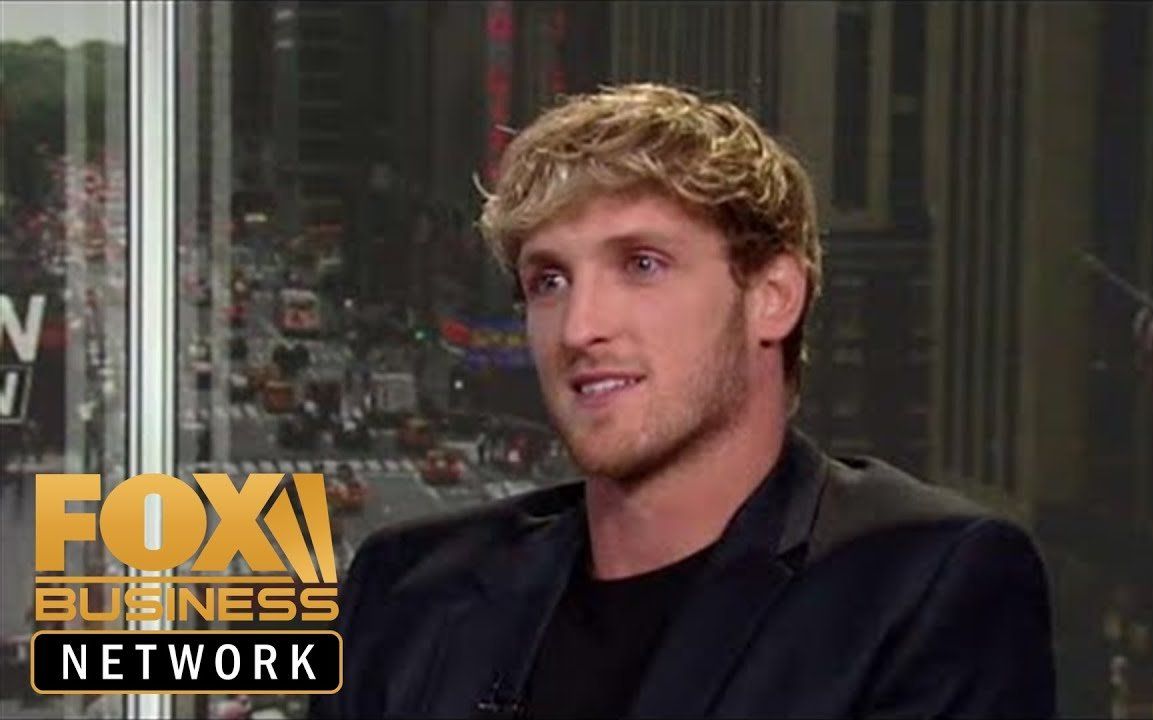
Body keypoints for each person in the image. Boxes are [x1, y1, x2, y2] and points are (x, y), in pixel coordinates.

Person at [312, 83, 1055, 719]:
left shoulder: (924, 582)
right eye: (549, 281)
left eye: (642, 265)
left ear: (772, 297)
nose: (580, 327)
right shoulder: (404, 587)